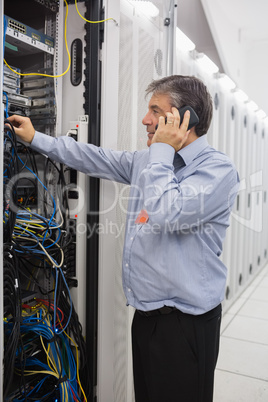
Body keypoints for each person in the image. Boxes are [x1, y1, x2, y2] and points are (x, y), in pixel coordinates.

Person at [8, 75, 240, 402]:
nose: (145, 119)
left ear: (185, 118)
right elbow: (95, 158)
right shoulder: (150, 161)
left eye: (154, 110)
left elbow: (167, 212)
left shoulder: (216, 171)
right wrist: (36, 138)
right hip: (146, 320)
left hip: (185, 327)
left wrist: (160, 150)